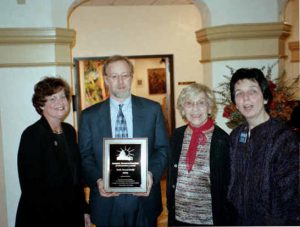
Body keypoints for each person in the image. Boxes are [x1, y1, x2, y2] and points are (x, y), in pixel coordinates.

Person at [78, 55, 169, 227]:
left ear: (131, 77)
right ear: (106, 80)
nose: (120, 82)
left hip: (144, 198)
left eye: (125, 75)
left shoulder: (152, 110)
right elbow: (85, 155)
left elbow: (163, 149)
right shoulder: (89, 116)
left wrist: (150, 174)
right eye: (114, 76)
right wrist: (98, 180)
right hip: (107, 201)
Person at [227, 68, 300, 225]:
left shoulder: (283, 139)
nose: (245, 98)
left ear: (265, 97)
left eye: (252, 91)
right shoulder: (235, 136)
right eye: (239, 93)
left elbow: (292, 198)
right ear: (235, 103)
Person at [15, 77, 91, 227]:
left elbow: (76, 178)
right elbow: (31, 188)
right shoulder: (32, 135)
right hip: (43, 217)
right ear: (41, 105)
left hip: (72, 214)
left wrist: (84, 210)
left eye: (63, 96)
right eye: (52, 98)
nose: (60, 102)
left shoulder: (69, 131)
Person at [167, 83, 231, 226]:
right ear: (183, 109)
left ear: (209, 108)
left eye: (201, 103)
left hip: (210, 220)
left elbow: (229, 187)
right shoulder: (176, 136)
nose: (195, 109)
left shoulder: (222, 140)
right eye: (189, 103)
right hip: (178, 219)